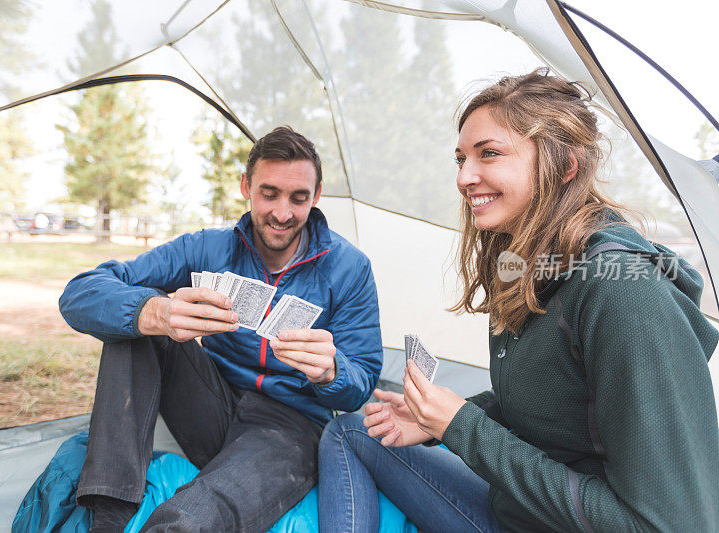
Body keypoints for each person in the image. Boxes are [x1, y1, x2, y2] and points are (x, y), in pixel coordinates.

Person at [317, 69, 719, 532]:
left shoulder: (623, 294)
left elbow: (664, 525)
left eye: (489, 154)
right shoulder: (527, 264)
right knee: (352, 431)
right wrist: (440, 418)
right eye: (461, 159)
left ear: (565, 164)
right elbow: (554, 398)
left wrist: (464, 427)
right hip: (509, 512)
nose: (465, 177)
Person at [59, 126, 383, 532]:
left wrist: (332, 372)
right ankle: (108, 513)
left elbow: (363, 380)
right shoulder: (208, 248)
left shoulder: (350, 268)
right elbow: (79, 294)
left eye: (298, 198)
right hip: (210, 398)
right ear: (245, 186)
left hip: (290, 426)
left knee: (200, 512)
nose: (283, 214)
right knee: (134, 321)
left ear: (316, 197)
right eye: (269, 194)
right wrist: (155, 311)